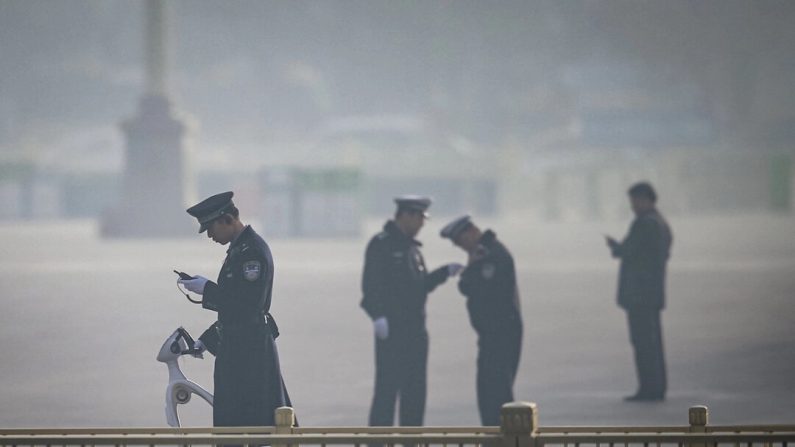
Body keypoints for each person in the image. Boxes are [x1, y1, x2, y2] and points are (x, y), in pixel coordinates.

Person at [178, 191, 293, 426]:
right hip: (238, 350)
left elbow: (249, 306)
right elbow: (234, 309)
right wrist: (207, 340)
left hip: (251, 355)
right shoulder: (238, 250)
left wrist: (207, 289)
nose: (209, 235)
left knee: (254, 422)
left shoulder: (252, 252)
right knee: (232, 422)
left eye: (211, 227)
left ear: (227, 219)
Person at [360, 195, 463, 427]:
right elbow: (370, 286)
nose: (422, 224)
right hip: (392, 331)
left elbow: (419, 287)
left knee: (415, 393)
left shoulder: (412, 249)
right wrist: (377, 316)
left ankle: (412, 441)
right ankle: (378, 444)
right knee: (387, 392)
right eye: (419, 218)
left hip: (416, 331)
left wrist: (443, 273)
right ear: (405, 215)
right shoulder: (381, 244)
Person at [440, 215, 523, 425]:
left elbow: (469, 286)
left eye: (461, 241)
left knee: (496, 395)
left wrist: (469, 269)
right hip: (493, 335)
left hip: (499, 335)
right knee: (489, 392)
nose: (461, 247)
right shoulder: (483, 252)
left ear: (472, 232)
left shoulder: (490, 255)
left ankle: (502, 439)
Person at [605, 182, 672, 402]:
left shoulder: (645, 224)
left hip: (641, 295)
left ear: (645, 199)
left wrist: (616, 248)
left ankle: (649, 389)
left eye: (635, 201)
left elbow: (630, 251)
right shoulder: (660, 223)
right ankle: (655, 387)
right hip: (651, 294)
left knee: (644, 344)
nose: (633, 206)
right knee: (652, 343)